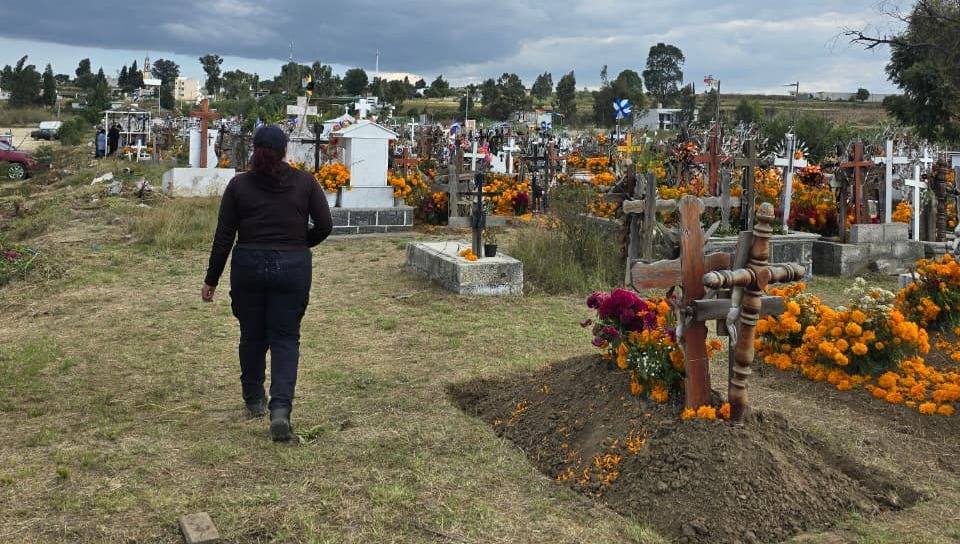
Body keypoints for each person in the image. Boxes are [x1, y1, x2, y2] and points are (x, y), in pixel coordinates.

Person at [202, 126, 333, 441]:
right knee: (286, 339)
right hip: (292, 267)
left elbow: (224, 238)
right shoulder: (306, 183)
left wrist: (211, 280)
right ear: (285, 150)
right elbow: (325, 225)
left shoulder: (239, 185)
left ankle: (253, 399)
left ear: (254, 149)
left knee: (252, 336)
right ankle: (280, 410)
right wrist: (300, 243)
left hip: (248, 265)